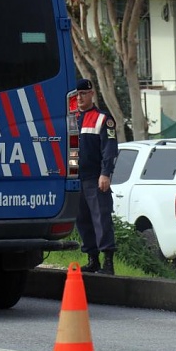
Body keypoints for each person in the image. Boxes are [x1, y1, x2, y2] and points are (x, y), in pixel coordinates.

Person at [75, 78, 118, 275]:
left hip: (95, 177)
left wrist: (105, 173)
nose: (80, 97)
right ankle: (92, 260)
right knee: (82, 220)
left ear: (91, 93)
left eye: (83, 93)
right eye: (77, 94)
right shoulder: (71, 118)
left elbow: (109, 149)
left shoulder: (102, 118)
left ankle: (108, 262)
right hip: (76, 179)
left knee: (101, 218)